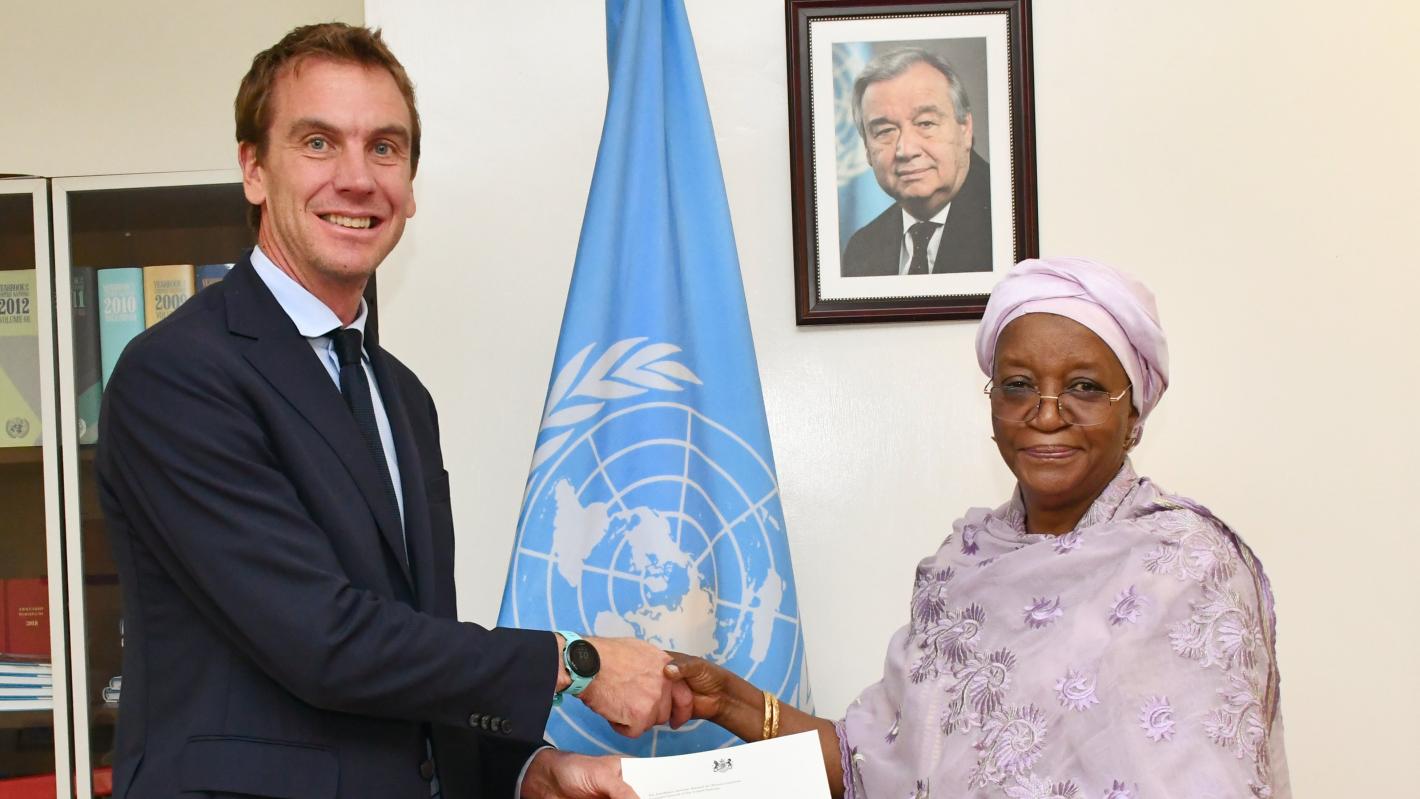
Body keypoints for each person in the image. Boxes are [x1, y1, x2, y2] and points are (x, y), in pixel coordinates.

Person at [97, 23, 686, 799]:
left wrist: (527, 769)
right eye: (317, 142)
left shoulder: (400, 394)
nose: (357, 178)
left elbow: (413, 647)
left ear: (409, 182)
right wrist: (574, 662)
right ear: (253, 169)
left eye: (385, 147)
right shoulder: (175, 374)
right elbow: (323, 638)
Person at [667, 257, 1290, 798]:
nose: (1046, 414)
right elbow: (874, 766)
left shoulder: (1184, 564)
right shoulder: (960, 570)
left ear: (1133, 415)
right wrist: (727, 701)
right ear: (993, 406)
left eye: (1084, 387)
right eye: (1018, 385)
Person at [841, 47, 993, 278]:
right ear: (867, 149)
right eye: (885, 131)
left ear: (965, 129)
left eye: (925, 124)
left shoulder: (1008, 221)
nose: (906, 150)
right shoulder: (861, 250)